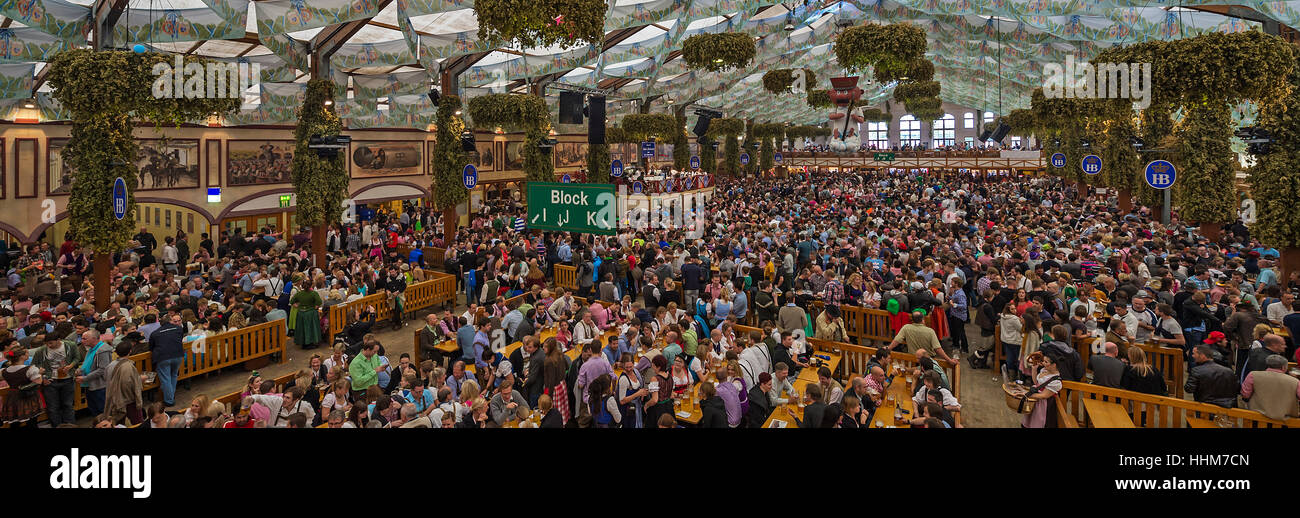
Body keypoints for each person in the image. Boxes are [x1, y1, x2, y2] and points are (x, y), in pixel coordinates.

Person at [30, 336, 79, 426]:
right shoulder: (41, 350)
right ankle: (57, 426)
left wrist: (70, 366)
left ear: (58, 340)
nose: (49, 345)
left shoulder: (70, 345)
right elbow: (34, 366)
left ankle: (70, 426)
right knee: (53, 407)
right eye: (47, 343)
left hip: (67, 379)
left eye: (51, 343)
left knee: (68, 405)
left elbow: (76, 358)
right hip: (50, 381)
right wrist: (43, 377)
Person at [1240, 354, 1300, 420]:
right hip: (1284, 420)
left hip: (1256, 416)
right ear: (1283, 367)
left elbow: (1245, 395)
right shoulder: (1295, 382)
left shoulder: (1253, 375)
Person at [148, 313, 186, 408]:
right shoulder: (178, 329)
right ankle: (170, 397)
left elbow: (151, 348)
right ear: (170, 321)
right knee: (173, 375)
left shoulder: (155, 333)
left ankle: (169, 400)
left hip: (163, 357)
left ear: (160, 324)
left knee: (166, 379)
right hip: (178, 355)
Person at [1185, 344, 1239, 408]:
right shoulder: (1229, 371)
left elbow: (1189, 389)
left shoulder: (1197, 370)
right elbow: (1237, 388)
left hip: (1205, 407)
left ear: (1202, 355)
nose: (1192, 356)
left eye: (1194, 353)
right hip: (1226, 408)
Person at [1, 345, 43, 427]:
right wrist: (40, 373)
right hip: (27, 396)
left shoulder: (4, 371)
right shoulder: (30, 369)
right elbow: (38, 382)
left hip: (12, 397)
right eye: (26, 353)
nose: (28, 354)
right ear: (22, 357)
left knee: (14, 423)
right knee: (31, 422)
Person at [104, 342, 145, 425]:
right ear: (130, 351)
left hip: (114, 398)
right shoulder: (128, 366)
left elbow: (106, 379)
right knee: (138, 422)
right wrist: (139, 380)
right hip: (127, 400)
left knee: (119, 423)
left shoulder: (110, 365)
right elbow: (127, 384)